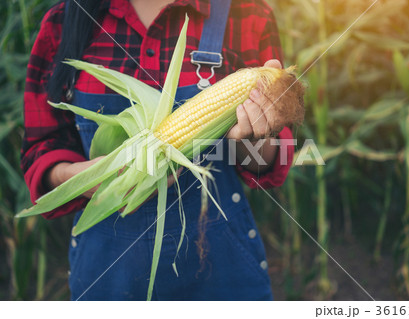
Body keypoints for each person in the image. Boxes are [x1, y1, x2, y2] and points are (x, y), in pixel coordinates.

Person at [21, 0, 296, 301]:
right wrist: (82, 177)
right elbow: (41, 148)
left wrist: (253, 137)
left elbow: (271, 160)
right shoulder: (64, 21)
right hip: (107, 277)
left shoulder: (248, 15)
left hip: (221, 271)